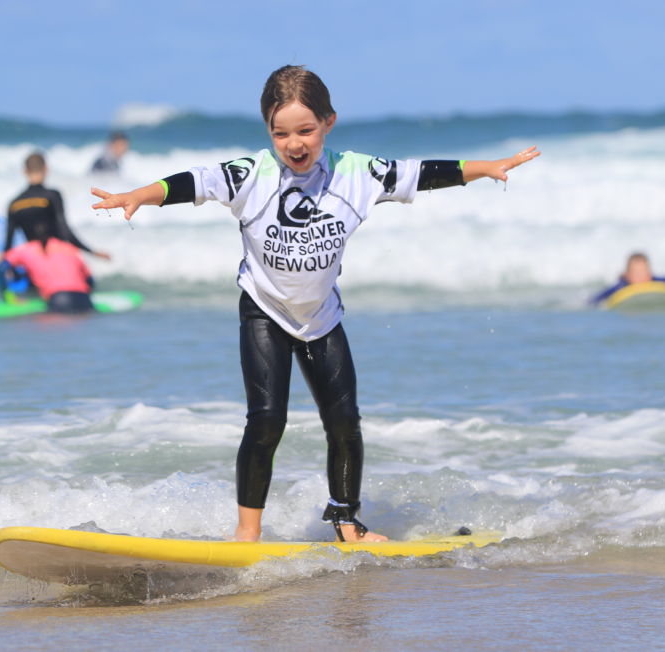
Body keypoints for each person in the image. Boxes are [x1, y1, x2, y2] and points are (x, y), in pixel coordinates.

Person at [91, 65, 540, 543]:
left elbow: (421, 173)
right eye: (280, 132)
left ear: (329, 121)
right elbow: (192, 183)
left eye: (305, 130)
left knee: (344, 423)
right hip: (264, 310)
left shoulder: (356, 173)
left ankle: (346, 523)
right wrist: (139, 194)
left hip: (322, 317)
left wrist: (485, 169)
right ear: (268, 130)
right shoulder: (252, 175)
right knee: (266, 421)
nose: (294, 143)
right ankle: (247, 533)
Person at [6, 152, 110, 260]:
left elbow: (8, 244)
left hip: (33, 261)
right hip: (56, 258)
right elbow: (65, 230)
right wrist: (91, 252)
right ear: (46, 168)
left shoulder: (15, 204)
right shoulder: (52, 196)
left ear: (25, 171)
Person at [0, 236, 95, 314]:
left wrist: (8, 297)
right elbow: (89, 279)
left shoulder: (25, 249)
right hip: (85, 299)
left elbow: (1, 269)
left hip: (59, 300)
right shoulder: (69, 247)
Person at [589, 252, 665, 305]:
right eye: (636, 273)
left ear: (650, 273)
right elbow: (602, 296)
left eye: (644, 272)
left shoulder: (654, 281)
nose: (641, 277)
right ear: (627, 275)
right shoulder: (622, 286)